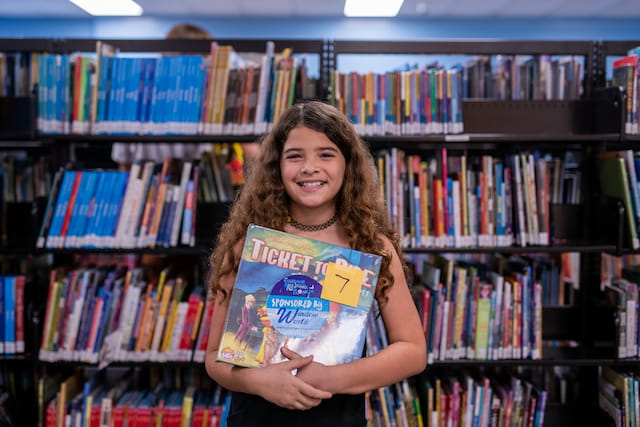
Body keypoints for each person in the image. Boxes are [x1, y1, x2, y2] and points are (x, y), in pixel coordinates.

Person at [204, 100, 426, 426]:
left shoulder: (369, 246)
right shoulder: (249, 245)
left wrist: (330, 378)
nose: (309, 167)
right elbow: (213, 358)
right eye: (295, 156)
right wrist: (256, 381)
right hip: (255, 417)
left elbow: (412, 351)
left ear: (347, 164)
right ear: (276, 166)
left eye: (326, 154)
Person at [110, 22, 214, 171]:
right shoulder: (204, 99)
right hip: (190, 183)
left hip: (144, 184)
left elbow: (124, 163)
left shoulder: (134, 95)